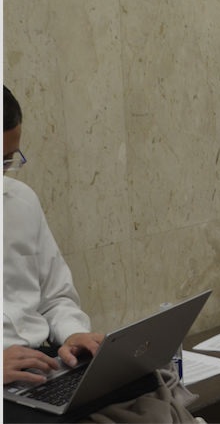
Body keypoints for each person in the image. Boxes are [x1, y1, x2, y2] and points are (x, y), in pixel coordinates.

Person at [3, 85, 104, 385]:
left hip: (45, 366)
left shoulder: (21, 201)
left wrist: (72, 331)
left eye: (7, 160)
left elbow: (55, 297)